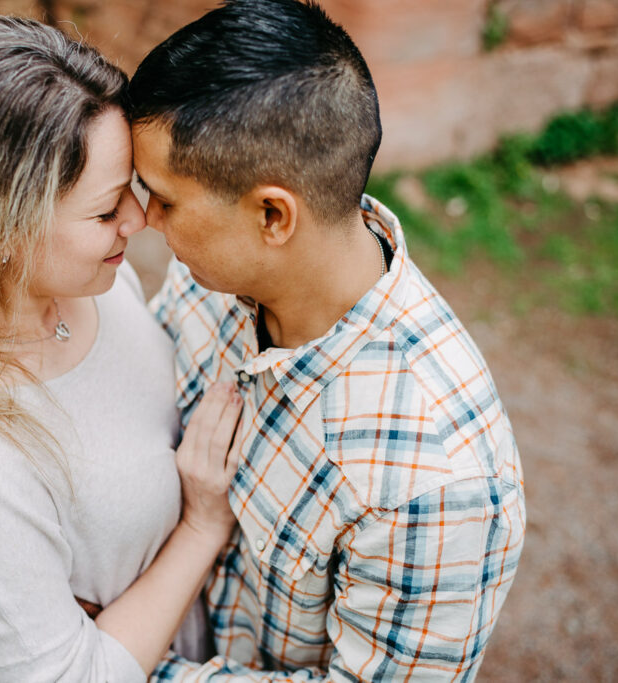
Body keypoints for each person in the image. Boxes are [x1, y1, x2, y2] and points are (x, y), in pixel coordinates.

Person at [128, 0, 526, 680]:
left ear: (273, 215)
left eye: (163, 198)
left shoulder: (438, 480)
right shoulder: (212, 274)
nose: (142, 217)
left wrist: (107, 663)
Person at [0, 15, 245, 682]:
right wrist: (202, 529)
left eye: (131, 187)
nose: (139, 219)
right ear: (0, 230)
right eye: (103, 210)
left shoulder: (91, 280)